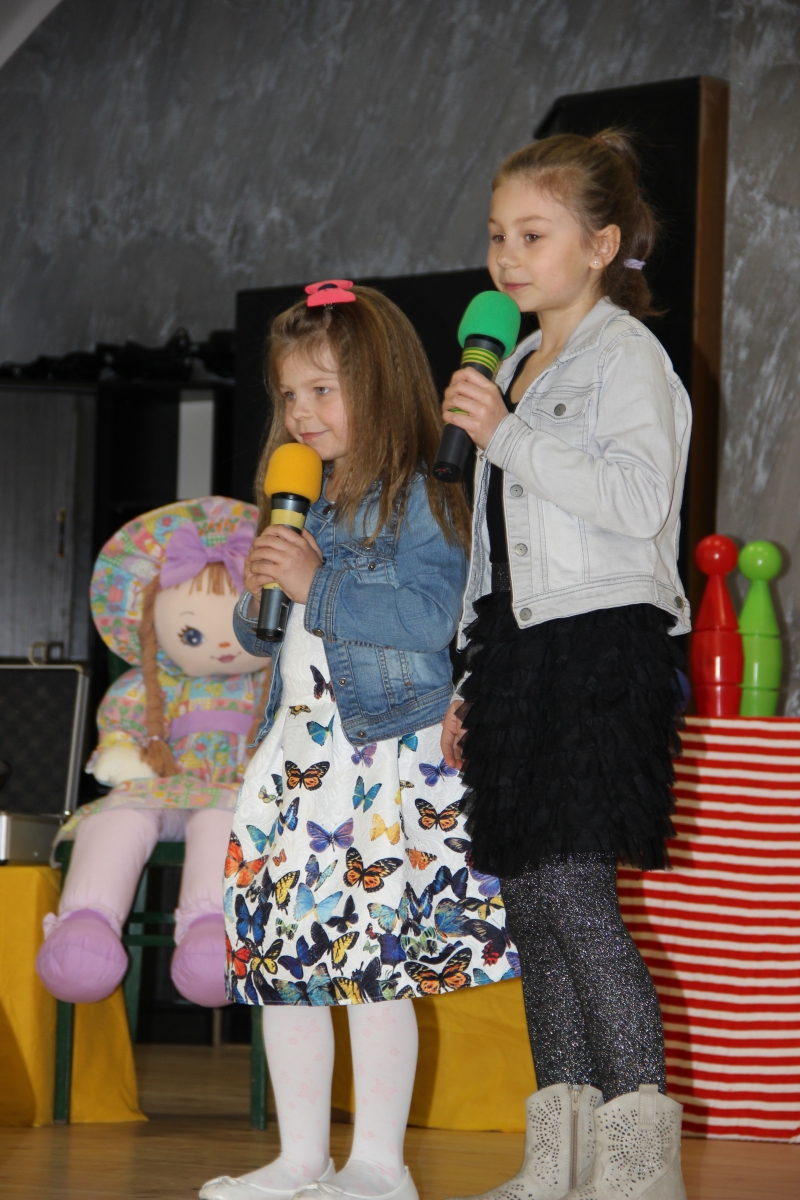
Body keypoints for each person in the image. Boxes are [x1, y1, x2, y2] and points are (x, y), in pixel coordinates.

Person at [200, 282, 519, 1200]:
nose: (302, 412)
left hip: (379, 761)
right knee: (285, 958)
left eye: (323, 390)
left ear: (378, 385)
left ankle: (379, 1164)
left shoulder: (422, 492)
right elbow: (272, 631)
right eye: (288, 395)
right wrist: (261, 596)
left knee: (374, 965)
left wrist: (318, 583)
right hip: (294, 759)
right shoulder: (301, 498)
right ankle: (300, 1159)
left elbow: (430, 618)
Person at [440, 132, 691, 1200]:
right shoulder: (505, 365)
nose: (507, 255)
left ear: (599, 245)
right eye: (497, 235)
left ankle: (637, 1171)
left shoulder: (626, 358)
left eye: (532, 234)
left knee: (579, 904)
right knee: (532, 914)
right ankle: (559, 1164)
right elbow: (495, 552)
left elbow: (638, 503)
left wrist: (506, 436)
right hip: (518, 651)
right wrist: (470, 678)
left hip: (597, 648)